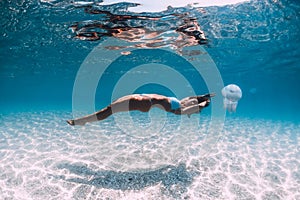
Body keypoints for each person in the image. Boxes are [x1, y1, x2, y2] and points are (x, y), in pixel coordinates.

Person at [67, 93, 215, 126]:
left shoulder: (176, 104)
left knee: (108, 110)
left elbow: (188, 102)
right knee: (108, 110)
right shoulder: (175, 106)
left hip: (145, 99)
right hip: (145, 100)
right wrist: (203, 100)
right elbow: (187, 104)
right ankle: (81, 121)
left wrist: (203, 101)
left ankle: (81, 121)